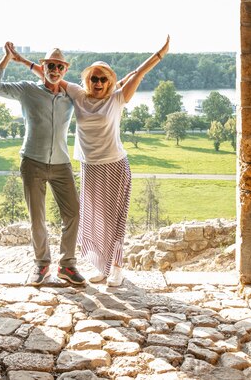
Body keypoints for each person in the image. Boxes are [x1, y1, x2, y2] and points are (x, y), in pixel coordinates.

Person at [56, 37, 170, 286]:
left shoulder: (117, 98)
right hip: (90, 167)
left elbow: (139, 72)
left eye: (103, 79)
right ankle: (102, 266)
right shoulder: (78, 95)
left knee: (115, 219)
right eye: (94, 78)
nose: (98, 83)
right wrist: (20, 60)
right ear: (87, 80)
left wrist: (160, 54)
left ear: (110, 81)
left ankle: (117, 267)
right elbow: (51, 75)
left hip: (115, 166)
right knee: (94, 218)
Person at [0, 43, 85, 286]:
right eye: (50, 65)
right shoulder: (27, 90)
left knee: (72, 214)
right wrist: (7, 58)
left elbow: (98, 98)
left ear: (65, 69)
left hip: (61, 164)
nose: (54, 69)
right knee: (37, 218)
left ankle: (67, 265)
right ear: (44, 66)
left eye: (59, 66)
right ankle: (42, 265)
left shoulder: (70, 96)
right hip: (33, 162)